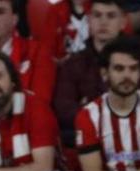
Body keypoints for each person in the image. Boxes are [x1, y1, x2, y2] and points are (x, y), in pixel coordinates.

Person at [74, 35, 140, 171]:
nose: (127, 76)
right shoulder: (88, 115)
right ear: (105, 73)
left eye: (133, 69)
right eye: (119, 69)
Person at [54, 0, 129, 147]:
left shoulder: (139, 59)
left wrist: (88, 107)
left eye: (111, 16)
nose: (103, 22)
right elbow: (64, 110)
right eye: (97, 15)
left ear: (123, 22)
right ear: (89, 21)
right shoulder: (72, 64)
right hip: (89, 138)